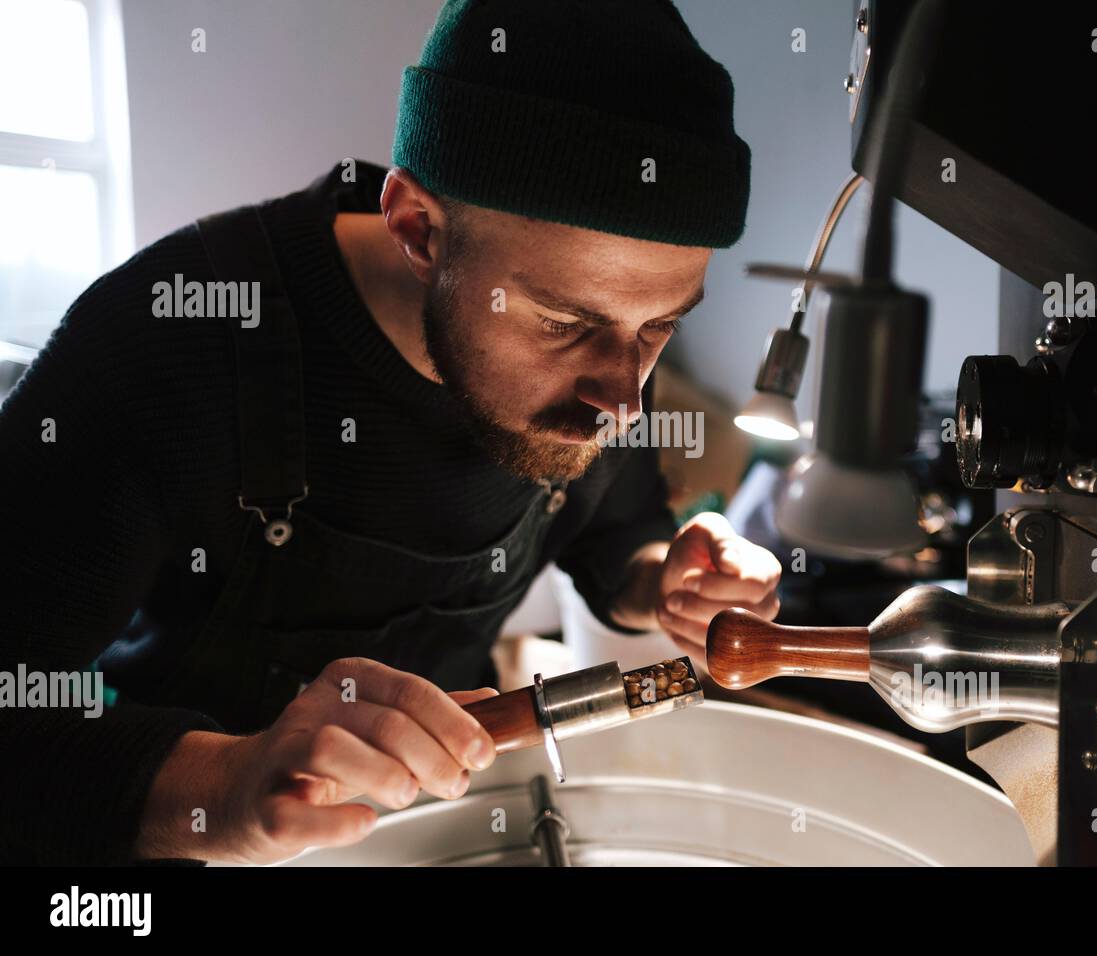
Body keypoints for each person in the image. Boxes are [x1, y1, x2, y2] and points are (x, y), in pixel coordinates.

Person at [0, 0, 780, 864]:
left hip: (435, 827)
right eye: (563, 321)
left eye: (661, 324)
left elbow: (611, 531)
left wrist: (665, 579)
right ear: (417, 227)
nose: (624, 400)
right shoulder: (164, 341)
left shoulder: (607, 364)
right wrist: (223, 786)